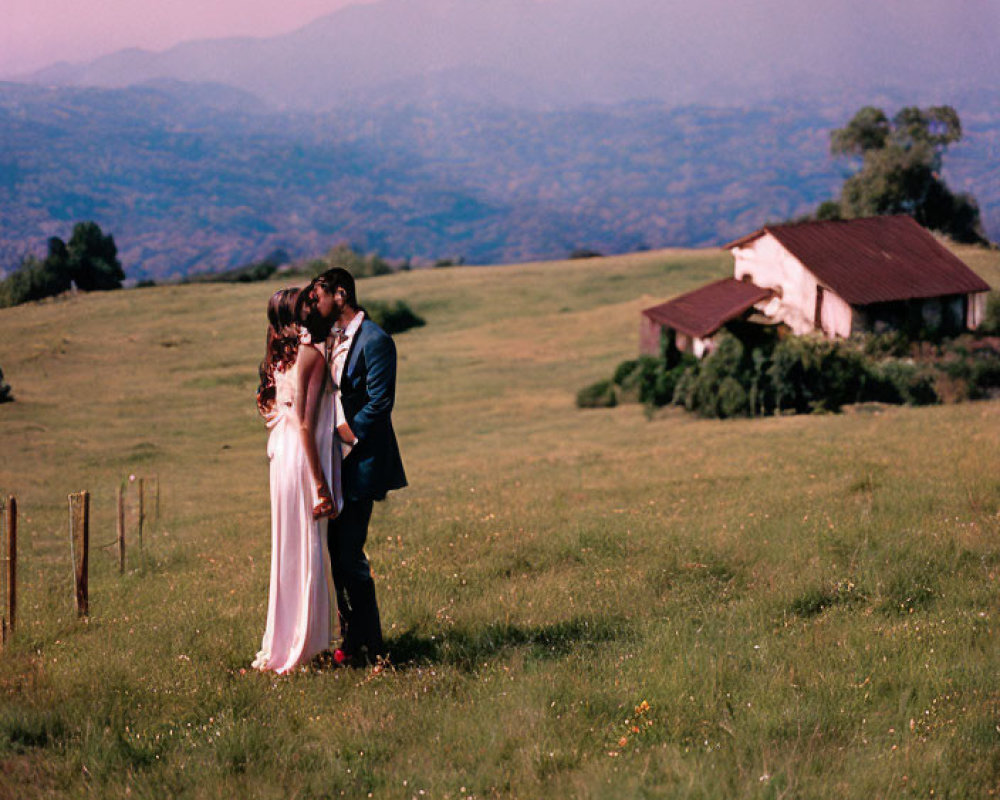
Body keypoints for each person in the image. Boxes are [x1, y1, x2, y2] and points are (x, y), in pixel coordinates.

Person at [303, 268, 407, 666]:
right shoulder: (329, 339)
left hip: (363, 462)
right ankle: (354, 639)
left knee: (348, 553)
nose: (316, 305)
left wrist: (343, 435)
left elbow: (380, 403)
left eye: (320, 297)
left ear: (341, 295)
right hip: (334, 465)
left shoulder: (376, 340)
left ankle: (372, 644)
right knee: (335, 552)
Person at [251, 288, 340, 674]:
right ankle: (305, 645)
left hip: (280, 454)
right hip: (303, 456)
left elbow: (275, 411)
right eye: (305, 302)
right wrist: (321, 484)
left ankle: (287, 641)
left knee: (288, 546)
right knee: (307, 547)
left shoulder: (279, 357)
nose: (311, 306)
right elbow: (306, 424)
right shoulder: (310, 355)